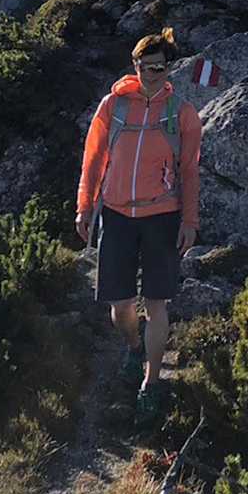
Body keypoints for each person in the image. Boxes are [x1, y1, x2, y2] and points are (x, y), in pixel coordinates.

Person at [75, 28, 202, 428]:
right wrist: (84, 208)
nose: (152, 75)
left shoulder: (181, 113)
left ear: (170, 69)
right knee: (121, 306)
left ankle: (151, 382)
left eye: (160, 69)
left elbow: (190, 170)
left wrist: (190, 220)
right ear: (135, 66)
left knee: (158, 303)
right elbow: (93, 159)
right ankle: (134, 346)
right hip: (115, 214)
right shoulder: (113, 106)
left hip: (162, 215)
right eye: (146, 68)